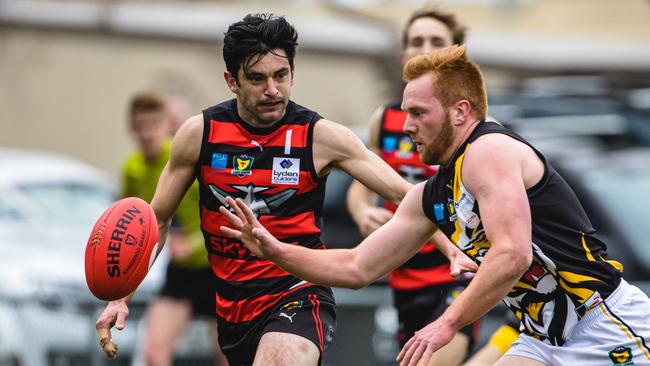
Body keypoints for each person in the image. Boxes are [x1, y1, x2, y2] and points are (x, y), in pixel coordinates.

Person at [219, 45, 650, 366]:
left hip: (605, 324)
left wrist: (445, 324)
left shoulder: (490, 149)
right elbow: (356, 267)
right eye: (406, 113)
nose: (406, 126)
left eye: (419, 113)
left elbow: (512, 253)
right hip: (543, 339)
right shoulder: (432, 194)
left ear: (461, 112)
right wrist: (276, 250)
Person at [96, 13, 415, 366]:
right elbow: (156, 221)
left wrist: (458, 246)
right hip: (233, 310)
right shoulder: (200, 133)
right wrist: (121, 296)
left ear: (293, 72)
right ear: (232, 81)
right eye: (257, 79)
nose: (272, 90)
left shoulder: (321, 137)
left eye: (281, 76)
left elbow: (410, 197)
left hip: (297, 295)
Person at [346, 5, 475, 365]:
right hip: (403, 274)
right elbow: (361, 181)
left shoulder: (474, 124)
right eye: (417, 41)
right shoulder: (385, 119)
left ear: (457, 56)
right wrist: (362, 210)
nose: (426, 49)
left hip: (456, 272)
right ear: (404, 55)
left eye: (437, 41)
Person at [120, 92, 228, 366]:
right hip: (180, 275)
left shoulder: (183, 158)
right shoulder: (132, 169)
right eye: (140, 127)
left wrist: (193, 242)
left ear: (166, 124)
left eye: (153, 125)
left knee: (228, 356)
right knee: (154, 352)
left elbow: (225, 216)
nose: (147, 134)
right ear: (131, 129)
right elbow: (128, 221)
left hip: (217, 268)